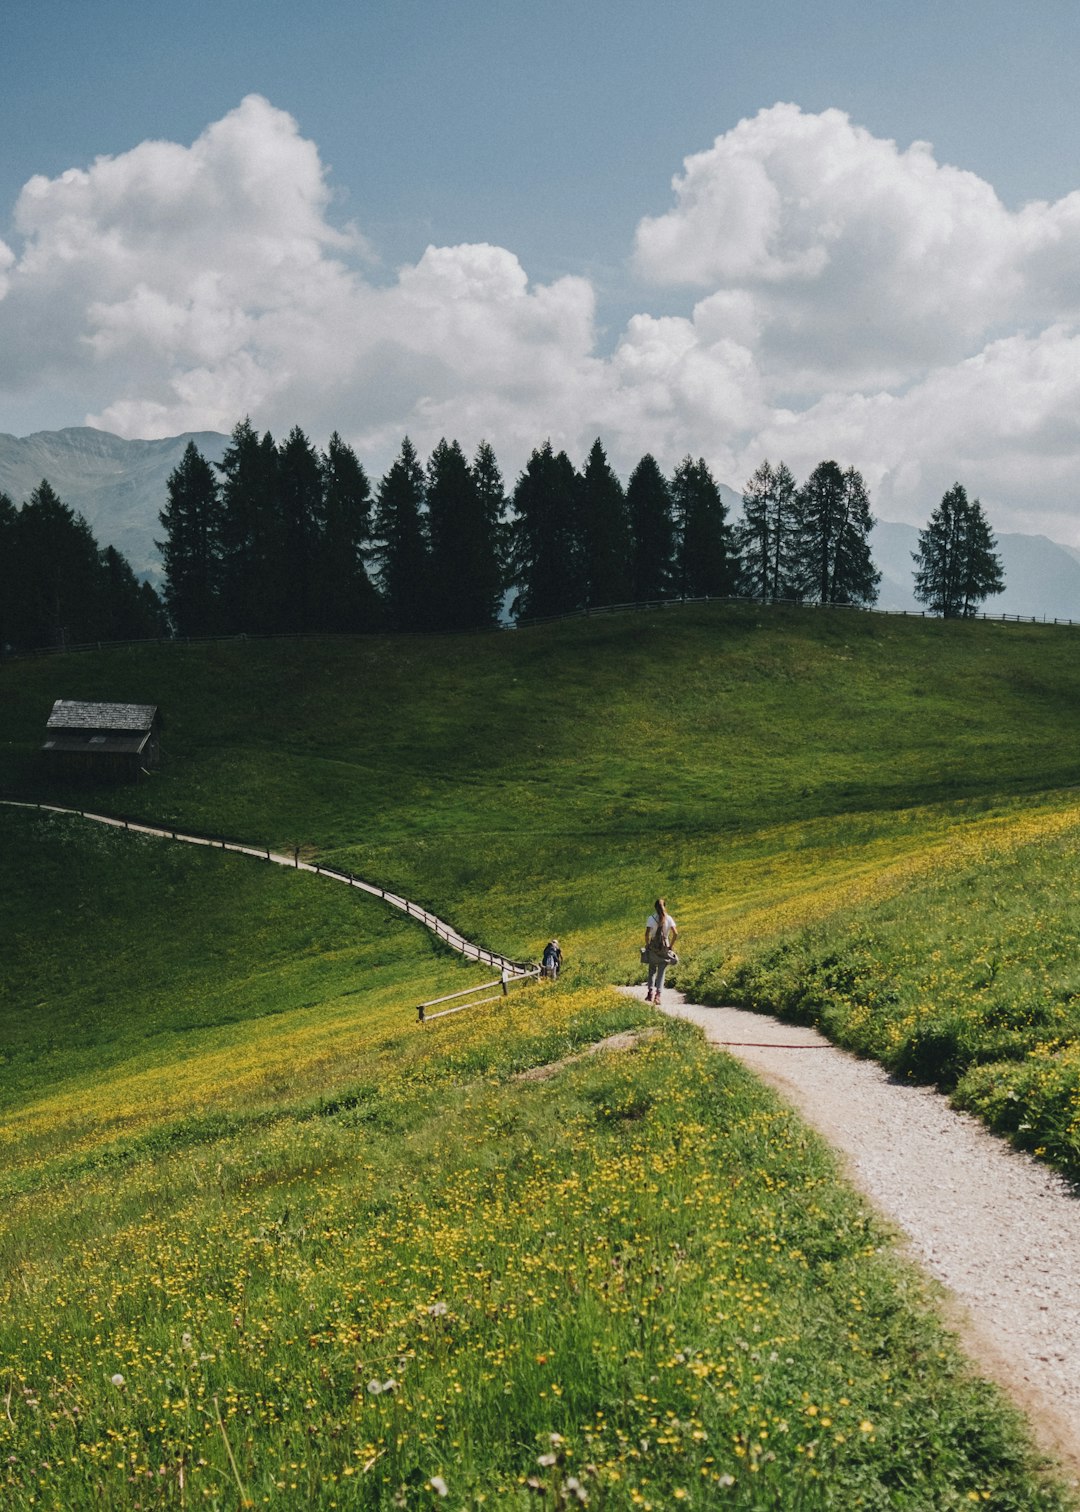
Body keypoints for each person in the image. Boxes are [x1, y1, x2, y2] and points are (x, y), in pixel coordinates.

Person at [644, 898, 677, 1004]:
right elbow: (676, 933)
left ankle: (650, 993)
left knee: (652, 969)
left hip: (653, 946)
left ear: (655, 907)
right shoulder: (669, 918)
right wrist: (670, 946)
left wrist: (647, 944)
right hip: (664, 946)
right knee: (661, 971)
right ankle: (658, 996)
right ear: (665, 907)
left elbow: (646, 934)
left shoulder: (651, 918)